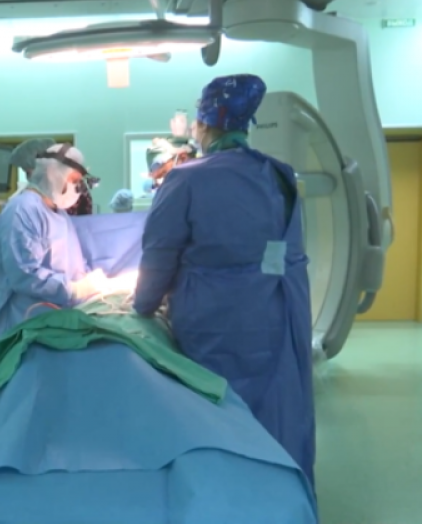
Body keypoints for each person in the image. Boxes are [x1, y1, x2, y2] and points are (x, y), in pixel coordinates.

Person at [132, 74, 316, 490]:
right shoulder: (279, 175)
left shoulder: (187, 179)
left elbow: (159, 255)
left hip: (214, 321)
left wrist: (142, 305)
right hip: (275, 312)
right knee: (273, 411)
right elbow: (286, 253)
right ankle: (279, 497)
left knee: (217, 413)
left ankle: (223, 499)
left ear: (203, 124)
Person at [0, 143, 109, 351]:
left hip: (55, 325)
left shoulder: (59, 214)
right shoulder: (22, 210)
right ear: (53, 174)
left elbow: (72, 263)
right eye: (74, 181)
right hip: (23, 326)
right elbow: (24, 274)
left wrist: (89, 283)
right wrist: (74, 289)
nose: (77, 189)